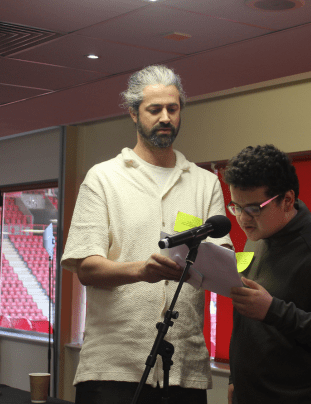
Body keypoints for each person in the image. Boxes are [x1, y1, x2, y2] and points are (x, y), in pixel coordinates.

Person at [61, 65, 232, 404]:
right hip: (113, 368)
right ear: (133, 113)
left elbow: (220, 262)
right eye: (155, 110)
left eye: (173, 108)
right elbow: (86, 268)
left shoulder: (205, 182)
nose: (166, 117)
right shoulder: (103, 178)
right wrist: (141, 271)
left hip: (185, 368)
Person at [224, 144, 311, 404]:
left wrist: (273, 310)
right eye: (235, 206)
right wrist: (236, 377)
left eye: (254, 209)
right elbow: (247, 322)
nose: (243, 219)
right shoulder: (256, 236)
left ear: (287, 200)